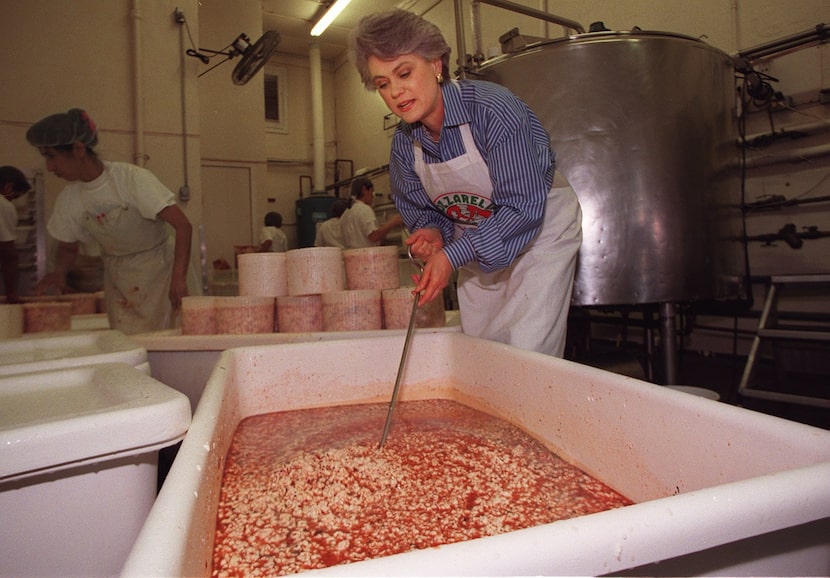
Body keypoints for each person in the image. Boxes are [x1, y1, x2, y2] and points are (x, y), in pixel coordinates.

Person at [349, 9, 582, 357]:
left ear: (436, 64)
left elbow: (520, 208)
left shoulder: (494, 111)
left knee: (528, 351)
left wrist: (451, 255)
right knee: (481, 351)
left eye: (404, 73)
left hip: (539, 237)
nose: (396, 92)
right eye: (383, 84)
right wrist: (433, 232)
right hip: (476, 247)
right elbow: (424, 211)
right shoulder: (403, 145)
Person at [26, 108, 194, 334]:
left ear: (78, 148)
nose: (49, 167)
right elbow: (67, 247)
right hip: (119, 279)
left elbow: (183, 226)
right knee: (128, 343)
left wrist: (179, 278)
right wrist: (58, 273)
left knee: (170, 339)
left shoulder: (131, 179)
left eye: (51, 156)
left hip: (161, 271)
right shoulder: (70, 198)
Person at [339, 176, 404, 249]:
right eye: (371, 191)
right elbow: (374, 236)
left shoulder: (345, 214)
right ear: (364, 190)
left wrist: (382, 229)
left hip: (350, 257)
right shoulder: (364, 209)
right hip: (366, 257)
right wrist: (393, 222)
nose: (373, 196)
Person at [0, 166, 31, 304]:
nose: (13, 200)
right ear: (8, 187)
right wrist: (11, 293)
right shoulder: (3, 205)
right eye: (15, 196)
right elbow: (9, 254)